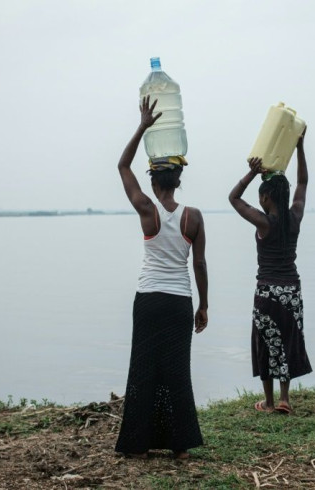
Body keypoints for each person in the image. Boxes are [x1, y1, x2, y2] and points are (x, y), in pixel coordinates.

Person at [114, 96, 208, 459]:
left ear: (153, 181)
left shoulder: (146, 209)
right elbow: (199, 265)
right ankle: (179, 448)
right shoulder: (194, 217)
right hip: (180, 302)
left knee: (143, 370)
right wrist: (204, 305)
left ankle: (137, 446)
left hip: (149, 299)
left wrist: (141, 126)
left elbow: (122, 165)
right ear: (179, 179)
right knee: (176, 372)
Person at [228, 128, 312, 414]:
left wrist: (250, 173)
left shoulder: (265, 223)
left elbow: (234, 198)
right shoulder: (294, 218)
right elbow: (302, 181)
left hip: (267, 291)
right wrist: (300, 147)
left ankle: (269, 402)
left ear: (265, 198)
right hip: (291, 290)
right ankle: (286, 399)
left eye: (261, 196)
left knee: (265, 342)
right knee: (287, 339)